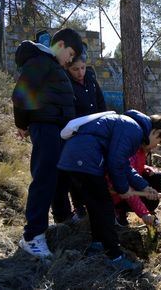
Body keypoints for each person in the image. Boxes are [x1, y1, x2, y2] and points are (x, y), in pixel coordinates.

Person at [58, 110, 161, 272]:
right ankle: (115, 256)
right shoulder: (134, 130)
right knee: (105, 209)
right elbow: (115, 162)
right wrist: (123, 189)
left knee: (96, 206)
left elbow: (124, 165)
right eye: (158, 142)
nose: (154, 147)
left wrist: (143, 186)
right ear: (156, 132)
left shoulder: (130, 126)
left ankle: (97, 244)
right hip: (85, 160)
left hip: (74, 159)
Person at [11, 28, 83, 258]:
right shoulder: (41, 61)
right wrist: (22, 124)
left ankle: (60, 217)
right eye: (70, 55)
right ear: (60, 45)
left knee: (56, 178)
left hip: (57, 131)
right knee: (44, 180)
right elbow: (21, 94)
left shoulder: (50, 64)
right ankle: (32, 236)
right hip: (46, 129)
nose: (70, 60)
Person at [52, 43, 107, 223]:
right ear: (68, 68)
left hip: (94, 134)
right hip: (74, 136)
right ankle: (79, 206)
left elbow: (100, 103)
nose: (80, 72)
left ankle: (92, 205)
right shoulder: (66, 84)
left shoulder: (91, 79)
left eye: (82, 68)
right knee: (74, 173)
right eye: (75, 69)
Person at [111, 146, 161, 227]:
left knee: (157, 177)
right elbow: (127, 187)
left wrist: (146, 168)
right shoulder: (128, 151)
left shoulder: (141, 151)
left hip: (132, 185)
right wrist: (143, 213)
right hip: (119, 194)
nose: (155, 146)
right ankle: (119, 210)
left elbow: (136, 168)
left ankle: (150, 211)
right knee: (128, 190)